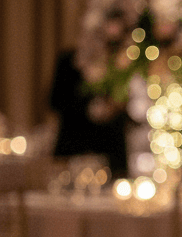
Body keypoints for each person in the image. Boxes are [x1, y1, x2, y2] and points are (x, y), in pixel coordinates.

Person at [49, 49, 128, 177]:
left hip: (112, 157)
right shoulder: (69, 60)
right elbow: (55, 101)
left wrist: (115, 107)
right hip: (71, 151)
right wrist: (88, 108)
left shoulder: (125, 60)